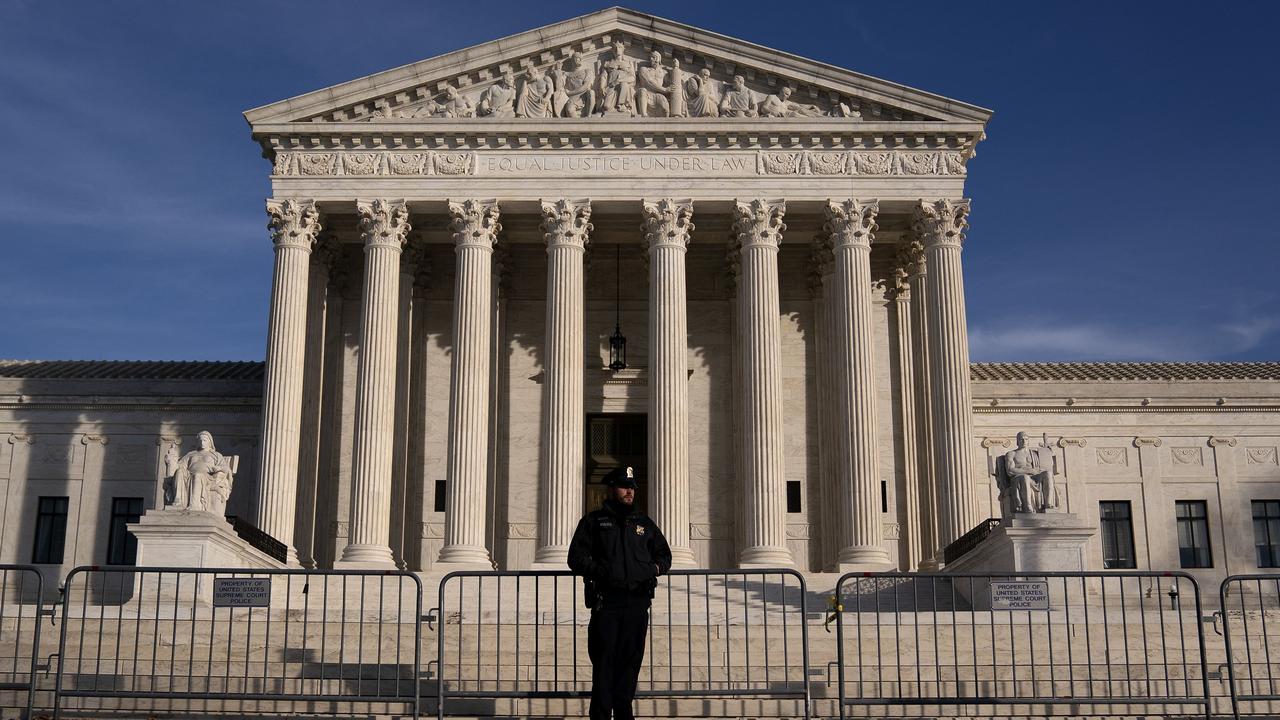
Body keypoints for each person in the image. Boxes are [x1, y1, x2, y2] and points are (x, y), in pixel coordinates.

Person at [568, 466, 672, 720]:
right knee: (604, 664)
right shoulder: (594, 522)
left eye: (632, 488)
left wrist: (652, 569)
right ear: (612, 488)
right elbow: (576, 558)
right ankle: (601, 716)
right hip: (607, 603)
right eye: (625, 487)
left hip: (637, 603)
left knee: (630, 663)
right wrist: (602, 571)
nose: (630, 492)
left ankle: (624, 714)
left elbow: (664, 555)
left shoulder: (644, 524)